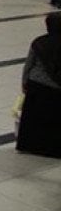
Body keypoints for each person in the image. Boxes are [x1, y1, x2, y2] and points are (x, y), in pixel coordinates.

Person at [16, 12, 61, 157]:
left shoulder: (39, 42)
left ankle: (29, 145)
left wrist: (24, 83)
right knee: (54, 120)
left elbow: (29, 65)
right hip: (57, 89)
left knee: (33, 118)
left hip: (37, 85)